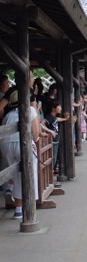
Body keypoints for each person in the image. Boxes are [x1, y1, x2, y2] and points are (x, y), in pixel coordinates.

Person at [0, 88, 40, 219]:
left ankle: (17, 207)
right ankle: (27, 207)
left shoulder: (8, 115)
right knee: (28, 173)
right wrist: (35, 141)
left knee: (15, 174)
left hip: (5, 145)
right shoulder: (30, 110)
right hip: (22, 144)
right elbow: (36, 133)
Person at [44, 100, 70, 174]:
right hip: (52, 141)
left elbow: (57, 120)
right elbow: (42, 123)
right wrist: (49, 131)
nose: (61, 108)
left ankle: (51, 175)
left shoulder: (53, 117)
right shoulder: (49, 117)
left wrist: (65, 119)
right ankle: (50, 176)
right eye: (59, 106)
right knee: (52, 159)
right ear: (53, 108)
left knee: (54, 159)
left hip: (55, 140)